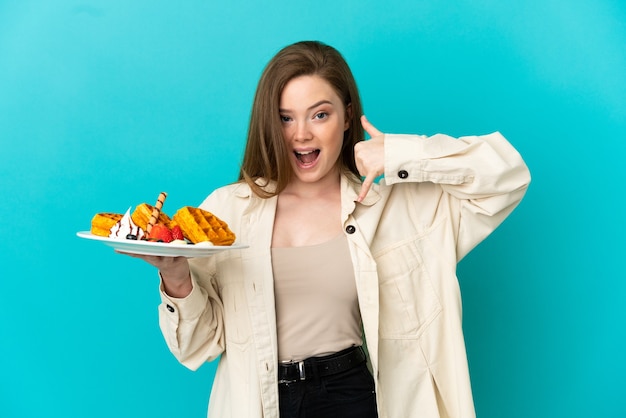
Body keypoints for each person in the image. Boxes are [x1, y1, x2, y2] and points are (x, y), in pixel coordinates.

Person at [126, 40, 531, 418]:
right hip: (258, 401)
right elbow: (197, 348)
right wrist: (175, 275)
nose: (302, 134)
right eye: (285, 118)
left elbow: (507, 177)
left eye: (320, 114)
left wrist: (398, 153)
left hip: (350, 394)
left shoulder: (396, 208)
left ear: (348, 116)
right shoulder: (227, 211)